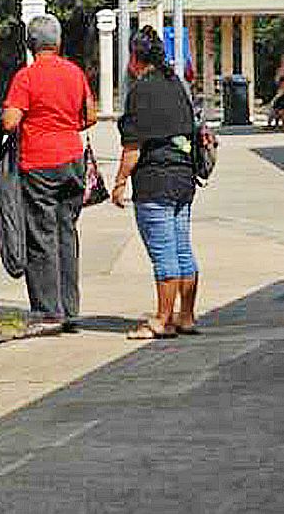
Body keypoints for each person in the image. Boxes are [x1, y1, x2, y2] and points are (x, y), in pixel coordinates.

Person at [2, 14, 97, 336]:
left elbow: (11, 122)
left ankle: (47, 312)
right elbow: (91, 115)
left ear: (30, 43)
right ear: (58, 43)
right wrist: (66, 128)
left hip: (39, 163)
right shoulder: (75, 72)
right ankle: (70, 310)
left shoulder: (26, 77)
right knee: (67, 232)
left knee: (41, 236)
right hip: (72, 160)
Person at [111, 26, 199, 339]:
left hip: (154, 180)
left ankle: (162, 319)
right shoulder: (175, 83)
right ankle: (185, 316)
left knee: (164, 254)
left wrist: (120, 182)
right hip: (183, 177)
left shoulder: (140, 91)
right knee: (183, 250)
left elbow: (133, 146)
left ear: (135, 58)